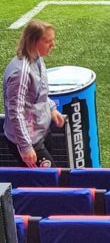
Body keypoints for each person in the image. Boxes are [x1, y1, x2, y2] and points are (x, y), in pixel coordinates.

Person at [3, 20, 65, 167]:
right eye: (47, 41)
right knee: (48, 179)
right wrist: (25, 147)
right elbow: (15, 112)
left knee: (50, 176)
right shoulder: (20, 72)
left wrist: (51, 108)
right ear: (33, 42)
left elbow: (37, 94)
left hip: (39, 132)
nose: (53, 45)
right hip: (29, 140)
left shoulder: (37, 59)